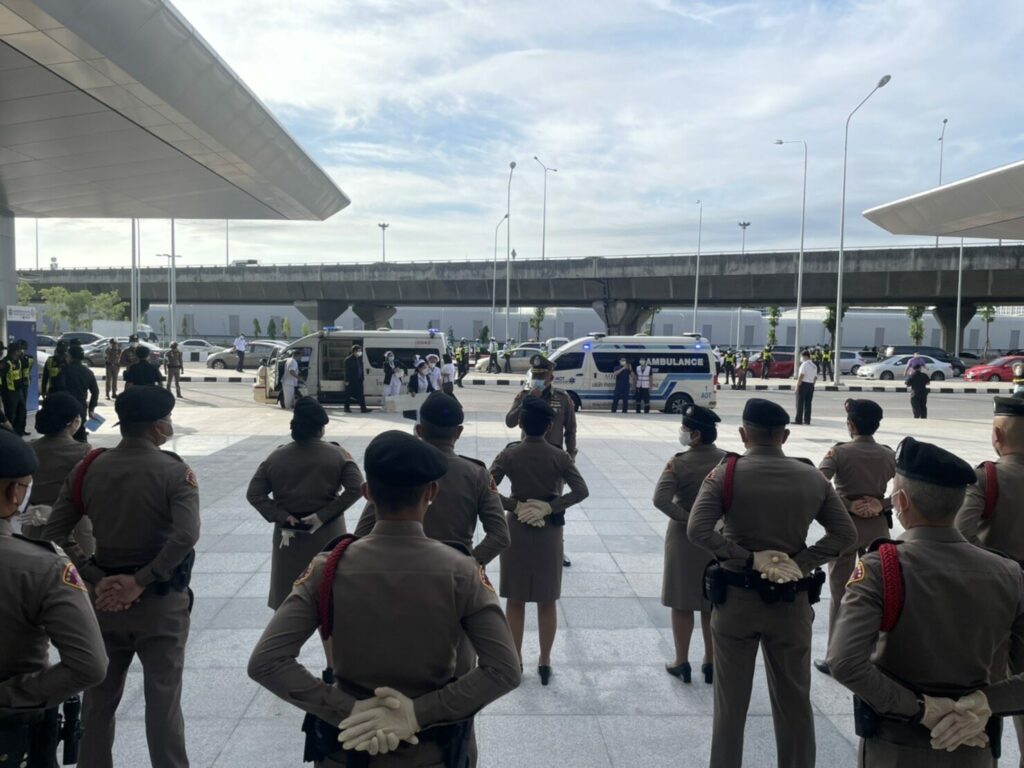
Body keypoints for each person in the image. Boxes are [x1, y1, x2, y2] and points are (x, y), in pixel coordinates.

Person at [247, 430, 521, 766]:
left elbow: (267, 662)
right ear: (431, 493)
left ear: (367, 493)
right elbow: (504, 669)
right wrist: (417, 714)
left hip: (347, 750)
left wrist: (350, 710)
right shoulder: (462, 571)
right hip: (431, 755)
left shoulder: (327, 567)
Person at [827, 436, 1024, 766]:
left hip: (895, 748)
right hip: (973, 744)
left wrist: (921, 708)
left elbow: (845, 662)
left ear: (901, 502)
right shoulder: (1008, 573)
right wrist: (983, 703)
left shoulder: (882, 567)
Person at [687, 398, 856, 768]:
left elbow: (697, 530)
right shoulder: (812, 477)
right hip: (791, 604)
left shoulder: (726, 474)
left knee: (730, 707)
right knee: (795, 703)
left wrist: (749, 558)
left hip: (736, 602)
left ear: (743, 434)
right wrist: (798, 563)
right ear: (785, 435)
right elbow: (846, 535)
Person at [43, 386, 200, 768]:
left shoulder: (90, 467)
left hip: (104, 602)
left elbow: (56, 531)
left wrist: (94, 574)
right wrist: (142, 580)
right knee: (163, 701)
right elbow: (186, 535)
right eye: (167, 419)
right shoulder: (174, 471)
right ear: (157, 426)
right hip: (161, 603)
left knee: (98, 701)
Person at [0, 428, 107, 768]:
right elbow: (90, 665)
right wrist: (13, 695)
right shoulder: (43, 566)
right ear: (14, 493)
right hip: (13, 733)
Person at [355, 391, 509, 593]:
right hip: (454, 585)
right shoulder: (477, 474)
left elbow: (362, 533)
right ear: (459, 432)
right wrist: (466, 564)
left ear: (419, 430)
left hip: (398, 578)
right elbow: (500, 536)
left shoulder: (400, 468)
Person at [490, 397, 589, 685]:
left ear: (520, 423)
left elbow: (485, 487)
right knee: (547, 600)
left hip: (517, 529)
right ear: (548, 427)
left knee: (515, 600)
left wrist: (516, 506)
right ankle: (545, 661)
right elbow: (581, 491)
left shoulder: (509, 454)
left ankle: (516, 660)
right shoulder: (560, 457)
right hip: (549, 530)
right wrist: (550, 506)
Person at [956, 394, 1024, 760]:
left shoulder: (987, 477)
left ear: (997, 435)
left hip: (995, 600)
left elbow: (961, 535)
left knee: (986, 693)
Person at [247, 396, 364, 609]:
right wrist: (322, 516)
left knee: (289, 601)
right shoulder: (338, 455)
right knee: (329, 600)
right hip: (328, 536)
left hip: (289, 538)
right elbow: (357, 487)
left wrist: (283, 516)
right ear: (321, 429)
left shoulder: (276, 457)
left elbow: (254, 494)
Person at [812, 399, 895, 677]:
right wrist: (881, 504)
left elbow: (817, 483)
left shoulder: (839, 452)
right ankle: (873, 654)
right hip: (878, 529)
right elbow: (906, 490)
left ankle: (834, 657)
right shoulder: (888, 454)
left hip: (845, 529)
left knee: (840, 594)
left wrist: (847, 504)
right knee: (879, 592)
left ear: (851, 424)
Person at [654, 405, 725, 684]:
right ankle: (711, 662)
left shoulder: (679, 462)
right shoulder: (728, 461)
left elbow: (660, 500)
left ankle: (681, 661)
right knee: (712, 601)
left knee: (682, 602)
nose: (682, 432)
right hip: (717, 538)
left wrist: (690, 518)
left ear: (695, 435)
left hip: (683, 539)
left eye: (685, 429)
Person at [20, 393, 95, 553]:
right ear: (72, 421)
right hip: (73, 529)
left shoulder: (29, 449)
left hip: (34, 525)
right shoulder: (84, 451)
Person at [504, 357, 577, 458]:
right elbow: (510, 422)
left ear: (551, 378)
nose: (537, 380)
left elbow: (571, 429)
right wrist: (527, 401)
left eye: (542, 376)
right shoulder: (524, 395)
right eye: (535, 376)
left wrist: (571, 455)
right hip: (527, 455)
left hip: (553, 457)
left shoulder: (562, 398)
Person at [62, 346, 99, 443]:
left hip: (65, 406)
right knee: (81, 432)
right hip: (81, 406)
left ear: (71, 356)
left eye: (67, 355)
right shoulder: (88, 372)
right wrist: (91, 409)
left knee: (64, 434)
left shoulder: (64, 370)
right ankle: (83, 450)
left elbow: (58, 388)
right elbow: (95, 391)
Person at [0, 341, 30, 436]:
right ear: (15, 351)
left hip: (19, 391)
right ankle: (10, 435)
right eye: (20, 350)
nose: (22, 351)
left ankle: (19, 433)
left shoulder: (19, 361)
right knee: (11, 415)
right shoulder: (5, 363)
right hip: (9, 393)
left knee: (22, 413)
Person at [343, 345, 369, 413]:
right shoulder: (348, 360)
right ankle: (346, 408)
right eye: (359, 351)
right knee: (348, 395)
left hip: (359, 379)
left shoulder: (359, 359)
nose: (360, 352)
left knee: (361, 395)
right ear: (354, 351)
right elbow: (347, 371)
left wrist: (362, 378)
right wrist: (347, 380)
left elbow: (361, 369)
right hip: (351, 380)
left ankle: (363, 409)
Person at [794, 349, 817, 425]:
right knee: (808, 403)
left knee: (800, 403)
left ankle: (798, 420)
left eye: (801, 356)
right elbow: (815, 377)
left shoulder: (804, 364)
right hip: (811, 385)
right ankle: (807, 420)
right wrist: (812, 385)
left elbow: (801, 375)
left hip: (803, 384)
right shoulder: (814, 365)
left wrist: (797, 386)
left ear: (805, 356)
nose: (801, 358)